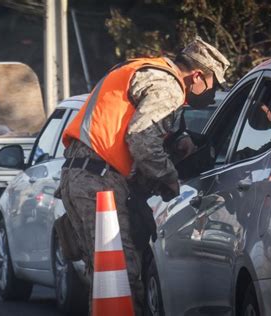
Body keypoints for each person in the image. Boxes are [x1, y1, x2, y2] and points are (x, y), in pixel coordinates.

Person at [58, 37, 230, 315]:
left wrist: (174, 140)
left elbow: (127, 128)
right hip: (98, 184)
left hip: (78, 175)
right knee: (121, 277)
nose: (213, 91)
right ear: (197, 75)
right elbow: (139, 139)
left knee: (104, 279)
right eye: (214, 84)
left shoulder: (141, 69)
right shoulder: (169, 86)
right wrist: (171, 179)